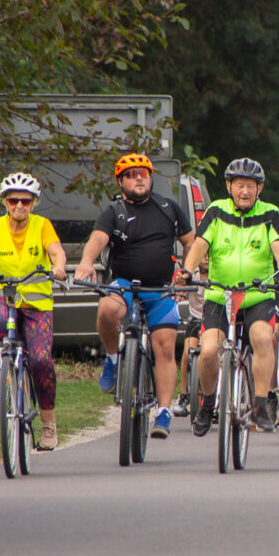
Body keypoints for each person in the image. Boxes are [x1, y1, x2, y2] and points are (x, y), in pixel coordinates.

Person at [74, 152, 194, 438]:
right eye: (130, 174)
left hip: (160, 288)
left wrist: (186, 273)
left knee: (164, 348)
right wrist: (85, 262)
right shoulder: (113, 211)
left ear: (151, 177)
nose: (138, 177)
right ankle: (113, 359)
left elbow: (191, 242)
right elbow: (98, 238)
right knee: (106, 310)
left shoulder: (168, 207)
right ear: (120, 182)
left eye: (143, 173)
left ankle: (163, 412)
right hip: (125, 284)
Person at [178, 158, 279, 435]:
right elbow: (198, 245)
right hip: (219, 296)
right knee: (207, 353)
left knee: (264, 339)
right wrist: (186, 271)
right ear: (229, 186)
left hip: (257, 295)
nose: (245, 191)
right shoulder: (216, 211)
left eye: (251, 186)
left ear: (259, 189)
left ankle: (261, 406)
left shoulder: (270, 213)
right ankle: (207, 404)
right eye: (240, 185)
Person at [0, 172, 67, 450]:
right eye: (14, 200)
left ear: (33, 203)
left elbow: (56, 251)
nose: (20, 206)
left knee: (41, 361)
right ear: (5, 202)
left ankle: (49, 424)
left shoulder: (42, 226)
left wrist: (58, 267)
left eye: (26, 201)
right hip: (2, 296)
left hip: (36, 305)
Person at [171, 257, 207, 417]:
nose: (205, 258)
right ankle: (184, 395)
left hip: (213, 321)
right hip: (195, 320)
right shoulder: (191, 276)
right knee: (187, 354)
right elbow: (179, 286)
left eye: (208, 254)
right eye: (202, 255)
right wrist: (178, 292)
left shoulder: (219, 272)